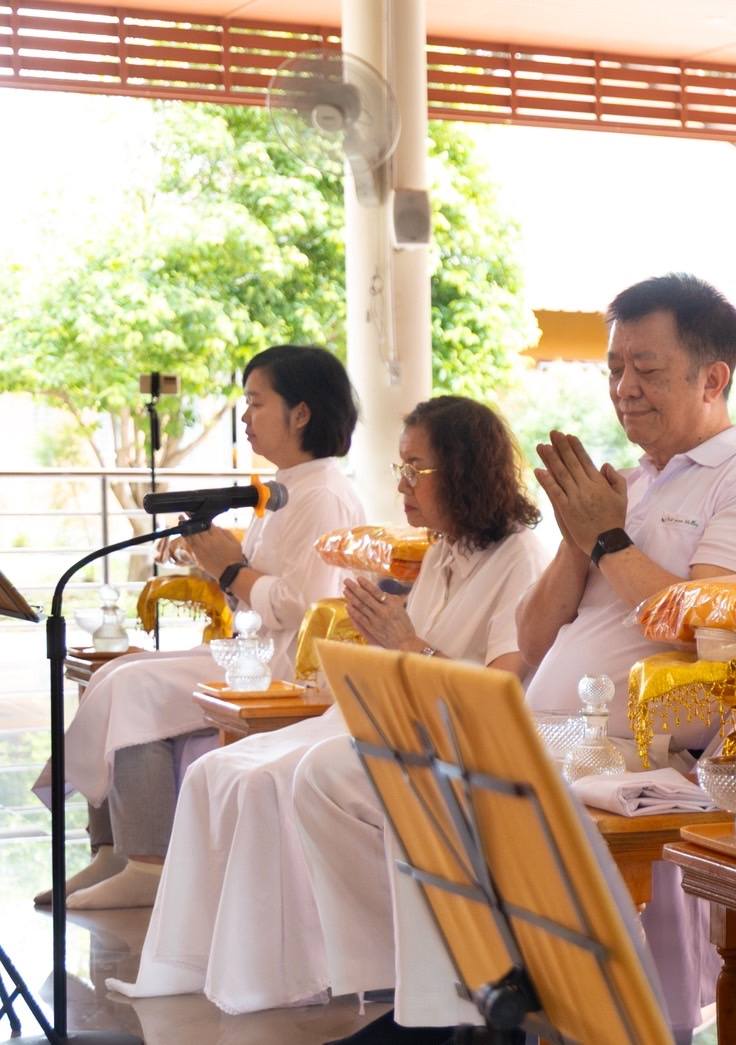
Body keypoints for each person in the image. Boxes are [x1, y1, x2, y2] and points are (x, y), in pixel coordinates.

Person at [294, 272, 736, 1044]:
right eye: (613, 368)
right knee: (335, 773)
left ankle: (460, 1019)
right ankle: (417, 1000)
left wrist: (608, 538)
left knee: (445, 792)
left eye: (647, 369)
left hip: (643, 747)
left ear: (713, 378)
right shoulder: (624, 484)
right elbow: (534, 638)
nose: (623, 389)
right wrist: (579, 535)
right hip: (546, 726)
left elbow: (711, 638)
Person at [105, 396, 549, 1015]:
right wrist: (381, 642)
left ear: (466, 470)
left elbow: (503, 689)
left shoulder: (520, 556)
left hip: (445, 737)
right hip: (388, 713)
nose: (402, 485)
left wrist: (405, 643)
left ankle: (285, 974)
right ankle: (198, 960)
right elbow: (408, 653)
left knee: (269, 785)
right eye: (401, 468)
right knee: (214, 771)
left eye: (415, 469)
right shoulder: (444, 548)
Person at [39, 345, 365, 910]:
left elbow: (308, 605)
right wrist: (210, 562)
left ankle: (149, 864)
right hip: (253, 652)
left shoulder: (325, 493)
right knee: (115, 673)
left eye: (255, 403)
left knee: (131, 685)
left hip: (285, 669)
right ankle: (110, 850)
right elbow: (260, 585)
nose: (245, 417)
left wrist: (230, 567)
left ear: (302, 413)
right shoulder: (285, 487)